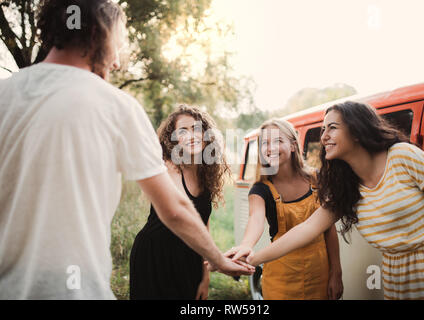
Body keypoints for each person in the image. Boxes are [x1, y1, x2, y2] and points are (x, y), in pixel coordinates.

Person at [0, 0, 252, 300]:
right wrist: (220, 261)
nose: (117, 62)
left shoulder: (5, 95)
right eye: (116, 46)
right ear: (96, 33)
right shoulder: (116, 106)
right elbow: (173, 208)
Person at [246, 101, 424, 300]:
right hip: (398, 282)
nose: (324, 137)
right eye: (323, 129)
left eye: (332, 128)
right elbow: (306, 229)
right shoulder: (346, 186)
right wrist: (251, 259)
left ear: (357, 131)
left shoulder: (402, 156)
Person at [225, 119, 343, 300]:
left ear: (293, 146)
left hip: (320, 274)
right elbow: (255, 219)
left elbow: (328, 228)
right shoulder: (260, 189)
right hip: (281, 280)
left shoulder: (316, 179)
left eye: (277, 141)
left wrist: (336, 272)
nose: (270, 148)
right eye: (265, 143)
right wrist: (246, 245)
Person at [130, 105, 230, 300]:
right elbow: (179, 211)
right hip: (155, 255)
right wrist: (219, 260)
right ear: (173, 139)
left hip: (190, 255)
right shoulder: (169, 166)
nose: (191, 135)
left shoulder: (206, 174)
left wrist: (205, 276)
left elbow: (203, 225)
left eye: (196, 129)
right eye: (183, 131)